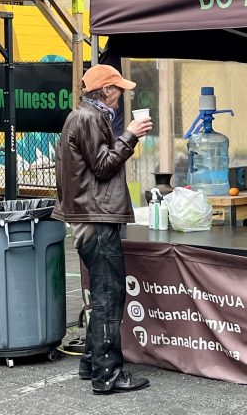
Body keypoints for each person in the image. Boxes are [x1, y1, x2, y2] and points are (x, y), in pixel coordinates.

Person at [53, 64, 153, 395]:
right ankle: (107, 374)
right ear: (106, 91)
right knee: (109, 295)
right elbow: (104, 165)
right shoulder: (91, 119)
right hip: (96, 217)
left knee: (102, 293)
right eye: (119, 89)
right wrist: (131, 136)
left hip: (87, 215)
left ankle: (92, 362)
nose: (122, 95)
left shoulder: (81, 116)